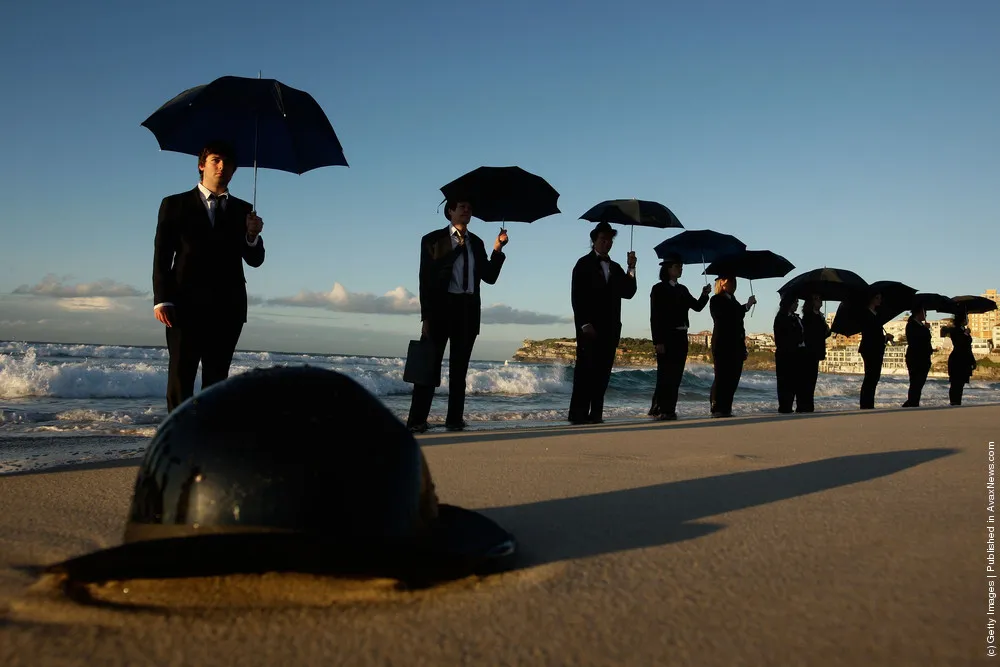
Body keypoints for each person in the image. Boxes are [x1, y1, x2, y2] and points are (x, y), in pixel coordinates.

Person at [152, 140, 266, 413]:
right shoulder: (174, 204)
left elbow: (255, 260)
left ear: (235, 171)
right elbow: (162, 255)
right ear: (202, 165)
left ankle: (208, 442)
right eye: (216, 160)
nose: (222, 166)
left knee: (217, 381)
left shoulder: (244, 210)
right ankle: (177, 441)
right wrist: (161, 299)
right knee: (181, 376)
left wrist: (252, 235)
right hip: (183, 305)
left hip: (228, 307)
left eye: (228, 163)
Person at [405, 199, 508, 433]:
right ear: (449, 211)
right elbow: (426, 280)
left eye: (470, 207)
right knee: (427, 369)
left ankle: (454, 420)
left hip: (467, 311)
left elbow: (489, 277)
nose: (466, 210)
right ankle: (416, 421)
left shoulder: (477, 242)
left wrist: (498, 249)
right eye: (461, 206)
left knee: (459, 372)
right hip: (440, 310)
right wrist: (426, 318)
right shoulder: (432, 240)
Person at [568, 222, 637, 425]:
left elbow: (629, 292)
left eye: (610, 240)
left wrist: (631, 267)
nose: (606, 243)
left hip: (611, 328)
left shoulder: (615, 268)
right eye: (602, 239)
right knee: (584, 372)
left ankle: (596, 414)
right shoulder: (583, 264)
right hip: (588, 328)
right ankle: (577, 415)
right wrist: (583, 323)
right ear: (594, 240)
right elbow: (576, 297)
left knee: (603, 374)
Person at [648, 254, 710, 421]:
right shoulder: (658, 289)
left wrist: (704, 295)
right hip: (666, 336)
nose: (680, 269)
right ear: (668, 269)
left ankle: (669, 409)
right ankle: (660, 408)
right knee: (664, 374)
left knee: (676, 375)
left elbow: (697, 307)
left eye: (681, 266)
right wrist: (658, 341)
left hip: (681, 336)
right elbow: (655, 317)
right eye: (677, 266)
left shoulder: (683, 289)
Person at [708, 276, 756, 417]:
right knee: (722, 376)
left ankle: (726, 407)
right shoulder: (716, 299)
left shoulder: (733, 300)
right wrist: (745, 307)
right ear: (721, 282)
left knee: (733, 378)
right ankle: (717, 407)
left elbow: (738, 319)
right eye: (730, 281)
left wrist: (748, 305)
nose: (734, 284)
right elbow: (724, 316)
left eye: (735, 281)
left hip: (736, 344)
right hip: (723, 344)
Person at [858, 292, 894, 410]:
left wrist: (885, 337)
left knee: (874, 377)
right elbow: (870, 334)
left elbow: (876, 333)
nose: (880, 300)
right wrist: (884, 338)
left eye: (880, 297)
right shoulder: (866, 314)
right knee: (870, 376)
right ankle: (866, 404)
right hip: (869, 348)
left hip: (876, 348)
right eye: (877, 297)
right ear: (871, 299)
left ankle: (869, 403)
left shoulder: (876, 314)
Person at [773, 294, 806, 413]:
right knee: (785, 382)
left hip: (797, 354)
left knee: (795, 382)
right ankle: (785, 407)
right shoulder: (782, 317)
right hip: (786, 354)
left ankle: (792, 406)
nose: (797, 304)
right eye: (795, 301)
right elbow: (784, 337)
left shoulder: (796, 318)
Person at [799, 293, 831, 412]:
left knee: (812, 379)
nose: (820, 301)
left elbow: (823, 333)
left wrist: (827, 330)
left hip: (816, 351)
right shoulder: (808, 316)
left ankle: (808, 405)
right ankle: (805, 405)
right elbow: (812, 333)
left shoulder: (819, 316)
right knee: (807, 379)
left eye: (820, 298)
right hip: (809, 351)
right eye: (816, 299)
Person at [941, 311, 976, 406]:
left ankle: (957, 401)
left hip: (965, 358)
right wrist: (965, 334)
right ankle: (954, 402)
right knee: (956, 382)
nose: (967, 320)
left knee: (961, 383)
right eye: (966, 318)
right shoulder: (956, 330)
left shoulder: (962, 329)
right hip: (957, 359)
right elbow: (959, 343)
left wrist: (972, 360)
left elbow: (968, 347)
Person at [901, 306, 933, 407]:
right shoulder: (911, 325)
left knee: (919, 382)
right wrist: (925, 329)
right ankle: (912, 402)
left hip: (924, 357)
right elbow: (916, 340)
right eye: (924, 312)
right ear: (919, 313)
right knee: (916, 381)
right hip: (915, 357)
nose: (926, 315)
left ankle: (913, 402)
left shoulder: (920, 326)